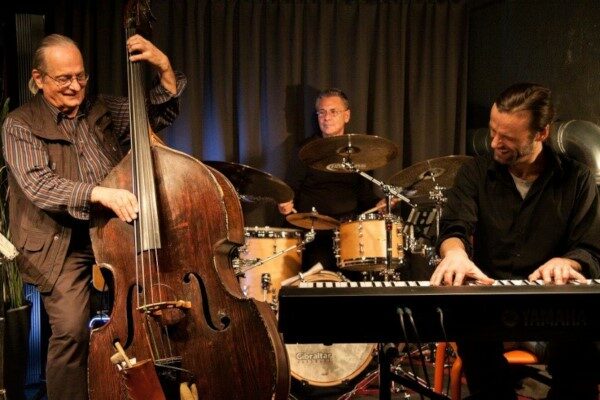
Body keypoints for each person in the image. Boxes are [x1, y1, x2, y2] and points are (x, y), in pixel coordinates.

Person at [1, 33, 186, 400]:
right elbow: (39, 185)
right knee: (71, 330)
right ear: (39, 78)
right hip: (60, 242)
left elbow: (155, 111)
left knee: (151, 315)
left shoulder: (99, 108)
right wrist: (99, 193)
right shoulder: (19, 124)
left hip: (114, 232)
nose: (75, 86)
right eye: (63, 79)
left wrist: (163, 66)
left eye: (80, 76)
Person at [430, 82, 600, 399]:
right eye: (493, 130)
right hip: (490, 306)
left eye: (507, 137)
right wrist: (455, 253)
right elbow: (455, 227)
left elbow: (590, 248)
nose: (495, 142)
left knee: (583, 353)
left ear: (541, 133)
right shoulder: (474, 173)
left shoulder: (577, 179)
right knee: (471, 333)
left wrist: (568, 261)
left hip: (554, 310)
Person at [278, 88, 383, 274]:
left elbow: (365, 197)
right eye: (322, 112)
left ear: (346, 116)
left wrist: (379, 204)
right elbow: (290, 190)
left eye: (333, 112)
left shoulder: (358, 153)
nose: (326, 117)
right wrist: (285, 202)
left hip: (349, 231)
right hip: (314, 231)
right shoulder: (306, 151)